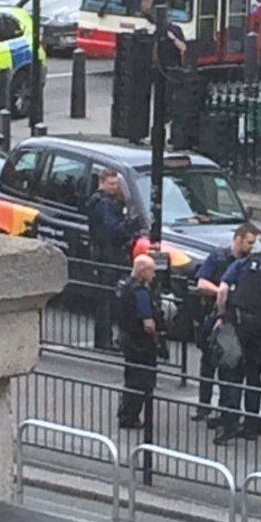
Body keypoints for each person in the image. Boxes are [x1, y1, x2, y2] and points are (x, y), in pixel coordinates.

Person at [212, 241, 261, 443]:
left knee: (233, 374)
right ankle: (251, 426)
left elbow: (222, 291)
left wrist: (221, 315)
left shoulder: (243, 264)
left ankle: (229, 424)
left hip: (238, 322)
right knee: (254, 375)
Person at [191, 224, 259, 422]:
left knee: (228, 367)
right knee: (208, 363)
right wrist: (222, 292)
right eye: (249, 242)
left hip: (235, 319)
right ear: (238, 238)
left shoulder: (250, 263)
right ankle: (204, 406)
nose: (251, 247)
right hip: (213, 314)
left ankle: (223, 410)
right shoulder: (218, 257)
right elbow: (201, 282)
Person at [86, 168, 140, 350]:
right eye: (111, 184)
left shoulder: (101, 201)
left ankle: (104, 339)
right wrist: (129, 228)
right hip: (106, 254)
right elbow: (112, 228)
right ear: (101, 182)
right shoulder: (103, 203)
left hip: (104, 252)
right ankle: (105, 341)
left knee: (106, 298)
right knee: (107, 299)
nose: (115, 188)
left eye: (117, 184)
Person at [117, 254, 167, 429]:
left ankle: (125, 412)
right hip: (141, 343)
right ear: (143, 270)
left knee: (130, 377)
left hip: (127, 338)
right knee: (142, 381)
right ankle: (131, 416)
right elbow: (148, 323)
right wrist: (156, 336)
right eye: (152, 270)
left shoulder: (124, 285)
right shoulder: (141, 292)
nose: (154, 275)